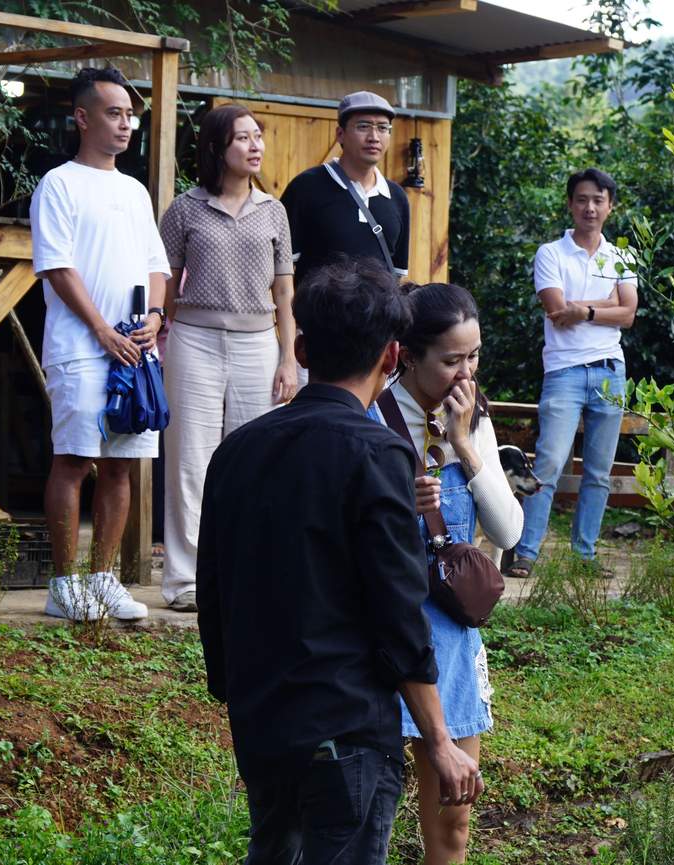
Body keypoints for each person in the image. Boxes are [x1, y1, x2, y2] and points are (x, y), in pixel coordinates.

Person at [197, 259, 483, 865]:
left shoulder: (236, 452)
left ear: (300, 348)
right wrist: (439, 739)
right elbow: (396, 608)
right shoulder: (379, 454)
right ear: (390, 357)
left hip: (263, 722)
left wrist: (234, 690)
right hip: (347, 728)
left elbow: (213, 588)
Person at [369, 283, 521, 865]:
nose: (466, 372)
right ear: (409, 353)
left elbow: (508, 533)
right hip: (383, 625)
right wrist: (394, 498)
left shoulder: (471, 415)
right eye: (452, 359)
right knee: (369, 809)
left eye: (475, 356)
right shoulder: (375, 411)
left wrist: (465, 444)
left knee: (454, 819)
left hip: (451, 635)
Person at [30, 67, 169, 621]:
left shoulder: (133, 190)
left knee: (122, 466)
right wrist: (101, 330)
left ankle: (105, 578)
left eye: (130, 115)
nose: (126, 124)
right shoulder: (58, 183)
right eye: (114, 113)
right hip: (82, 345)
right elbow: (58, 267)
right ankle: (63, 585)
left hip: (136, 347)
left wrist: (156, 317)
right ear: (82, 117)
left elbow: (158, 266)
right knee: (74, 459)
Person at [157, 104, 298, 613]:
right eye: (243, 138)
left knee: (255, 462)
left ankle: (247, 573)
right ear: (218, 147)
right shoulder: (184, 209)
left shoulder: (275, 211)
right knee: (190, 461)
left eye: (259, 136)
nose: (255, 146)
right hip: (192, 340)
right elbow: (165, 287)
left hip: (258, 344)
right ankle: (185, 581)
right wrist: (156, 341)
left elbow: (285, 295)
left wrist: (288, 359)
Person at [506, 168, 637, 579]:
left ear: (610, 206)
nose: (590, 207)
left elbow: (629, 313)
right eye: (582, 199)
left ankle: (585, 554)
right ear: (570, 203)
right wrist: (604, 304)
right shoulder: (551, 253)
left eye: (598, 200)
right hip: (564, 371)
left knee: (599, 472)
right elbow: (557, 311)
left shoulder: (622, 257)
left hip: (610, 370)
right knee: (547, 463)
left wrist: (586, 310)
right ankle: (527, 551)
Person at [281, 91, 411, 287]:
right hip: (317, 316)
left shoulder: (397, 197)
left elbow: (396, 275)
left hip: (379, 318)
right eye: (363, 126)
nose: (374, 137)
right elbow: (282, 270)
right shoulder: (306, 188)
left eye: (383, 128)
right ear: (340, 134)